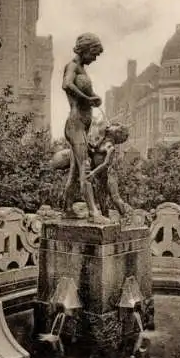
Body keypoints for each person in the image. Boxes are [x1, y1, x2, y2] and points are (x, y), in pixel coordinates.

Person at [62, 33, 110, 224]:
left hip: (83, 125)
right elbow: (66, 85)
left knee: (75, 171)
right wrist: (88, 99)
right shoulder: (73, 66)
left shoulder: (81, 68)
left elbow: (83, 92)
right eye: (94, 53)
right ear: (86, 49)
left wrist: (93, 96)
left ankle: (66, 208)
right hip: (75, 124)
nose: (95, 58)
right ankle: (93, 212)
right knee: (85, 167)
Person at [86, 115, 132, 218]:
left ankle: (126, 217)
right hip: (100, 176)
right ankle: (105, 218)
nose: (108, 126)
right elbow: (93, 151)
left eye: (113, 126)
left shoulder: (110, 146)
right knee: (101, 199)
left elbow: (106, 164)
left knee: (115, 198)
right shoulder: (101, 142)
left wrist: (93, 172)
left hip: (109, 174)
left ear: (117, 133)